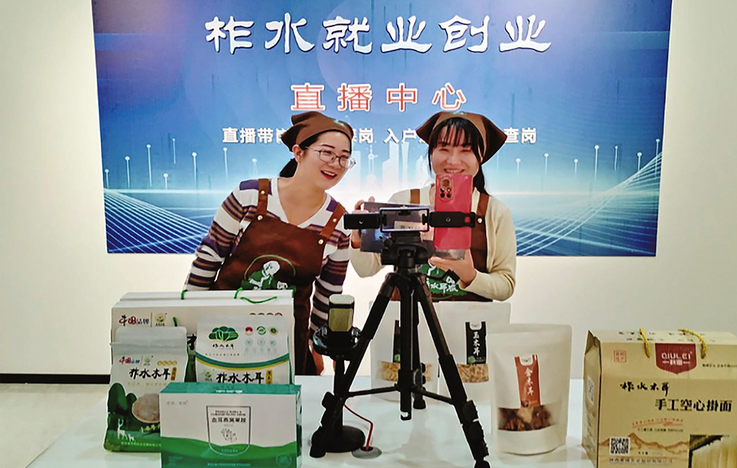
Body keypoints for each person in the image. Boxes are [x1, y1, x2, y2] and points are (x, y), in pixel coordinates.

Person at [184, 111, 355, 374]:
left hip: (287, 342)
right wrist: (188, 324)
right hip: (222, 333)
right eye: (326, 153)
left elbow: (328, 294)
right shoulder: (249, 196)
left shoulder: (339, 222)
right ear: (298, 152)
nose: (335, 164)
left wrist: (317, 346)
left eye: (344, 157)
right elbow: (208, 260)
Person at [350, 111, 516, 302]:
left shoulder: (495, 212)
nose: (453, 160)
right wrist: (358, 240)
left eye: (466, 150)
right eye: (444, 148)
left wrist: (470, 275)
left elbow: (506, 286)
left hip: (470, 319)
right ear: (431, 153)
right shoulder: (404, 200)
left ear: (481, 157)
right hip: (407, 317)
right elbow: (366, 269)